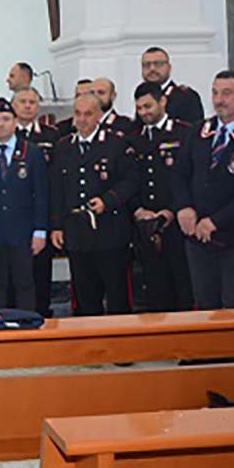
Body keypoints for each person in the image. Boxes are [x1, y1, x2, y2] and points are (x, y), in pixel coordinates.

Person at [172, 71, 234, 310]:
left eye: (227, 93)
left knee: (233, 306)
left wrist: (215, 221)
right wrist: (184, 206)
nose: (219, 100)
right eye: (215, 93)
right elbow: (179, 174)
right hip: (197, 236)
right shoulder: (198, 131)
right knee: (204, 305)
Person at [49, 94, 139, 316]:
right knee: (85, 297)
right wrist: (57, 226)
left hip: (110, 232)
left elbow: (131, 181)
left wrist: (107, 201)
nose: (82, 119)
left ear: (99, 115)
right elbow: (57, 189)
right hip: (77, 234)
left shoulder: (116, 143)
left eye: (88, 114)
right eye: (77, 113)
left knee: (117, 296)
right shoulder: (63, 146)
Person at [128, 81, 194, 312]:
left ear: (162, 102)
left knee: (183, 288)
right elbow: (129, 180)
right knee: (155, 290)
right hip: (145, 224)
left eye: (148, 106)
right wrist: (137, 209)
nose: (144, 112)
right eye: (139, 108)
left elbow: (190, 178)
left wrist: (173, 210)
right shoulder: (133, 138)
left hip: (176, 223)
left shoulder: (184, 133)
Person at [0, 98, 48, 312]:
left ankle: (27, 326)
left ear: (15, 122)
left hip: (23, 232)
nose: (1, 124)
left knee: (25, 283)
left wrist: (40, 231)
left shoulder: (32, 152)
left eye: (5, 119)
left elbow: (41, 194)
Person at [13, 87, 60, 315]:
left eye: (32, 102)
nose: (27, 106)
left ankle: (42, 313)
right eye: (23, 101)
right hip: (13, 215)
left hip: (42, 212)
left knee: (41, 271)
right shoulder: (4, 134)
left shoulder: (51, 136)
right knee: (14, 273)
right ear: (14, 106)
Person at [140, 47, 204, 123]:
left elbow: (195, 128)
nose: (152, 69)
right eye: (147, 65)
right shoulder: (141, 96)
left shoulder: (186, 97)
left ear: (169, 68)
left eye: (158, 64)